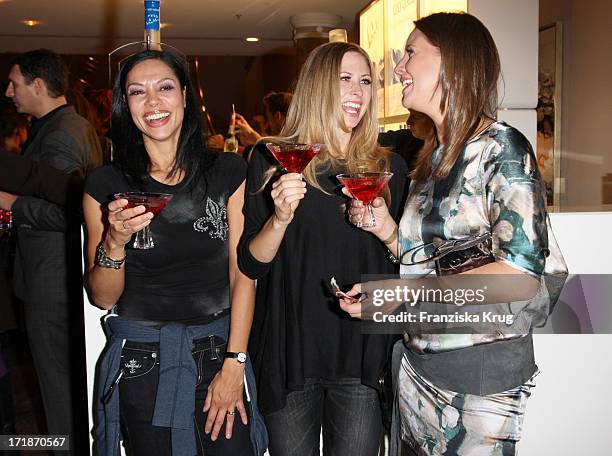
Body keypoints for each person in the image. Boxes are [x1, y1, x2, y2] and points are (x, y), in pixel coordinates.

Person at [339, 12, 567, 456]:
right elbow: (426, 260)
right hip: (419, 366)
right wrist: (387, 230)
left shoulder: (502, 148)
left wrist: (397, 296)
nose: (399, 68)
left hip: (478, 377)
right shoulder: (436, 156)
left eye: (410, 53)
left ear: (452, 63)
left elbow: (520, 276)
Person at [83, 49, 267, 456]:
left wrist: (235, 363)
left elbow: (243, 273)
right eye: (137, 92)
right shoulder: (106, 184)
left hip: (220, 351)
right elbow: (102, 297)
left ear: (185, 96)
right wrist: (114, 242)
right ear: (124, 105)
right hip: (143, 362)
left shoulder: (227, 171)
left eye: (164, 87)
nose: (153, 103)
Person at [238, 42, 408, 455]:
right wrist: (279, 218)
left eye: (366, 81)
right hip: (290, 348)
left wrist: (387, 230)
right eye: (345, 80)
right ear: (317, 87)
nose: (358, 92)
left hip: (361, 353)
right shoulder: (273, 158)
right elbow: (251, 262)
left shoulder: (390, 168)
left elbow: (408, 263)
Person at [2, 48, 102, 453]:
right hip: (58, 276)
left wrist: (10, 204)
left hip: (52, 280)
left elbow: (70, 212)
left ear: (37, 85)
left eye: (14, 83)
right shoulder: (72, 125)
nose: (9, 92)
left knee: (59, 384)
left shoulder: (60, 134)